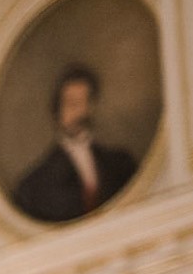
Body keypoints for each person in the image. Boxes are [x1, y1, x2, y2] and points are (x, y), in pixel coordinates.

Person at [11, 64, 139, 223]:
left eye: (84, 102)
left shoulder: (121, 163)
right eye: (71, 103)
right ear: (57, 110)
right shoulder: (34, 186)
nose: (79, 111)